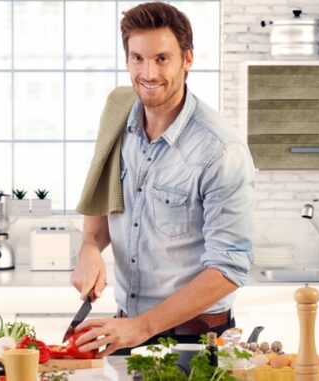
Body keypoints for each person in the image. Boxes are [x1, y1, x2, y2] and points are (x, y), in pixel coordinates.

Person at [71, 2, 255, 357]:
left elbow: (229, 269)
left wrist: (141, 328)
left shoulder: (220, 151)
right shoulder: (118, 111)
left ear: (187, 59)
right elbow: (103, 187)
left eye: (161, 58)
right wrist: (90, 247)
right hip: (123, 331)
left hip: (195, 343)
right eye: (137, 58)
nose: (148, 72)